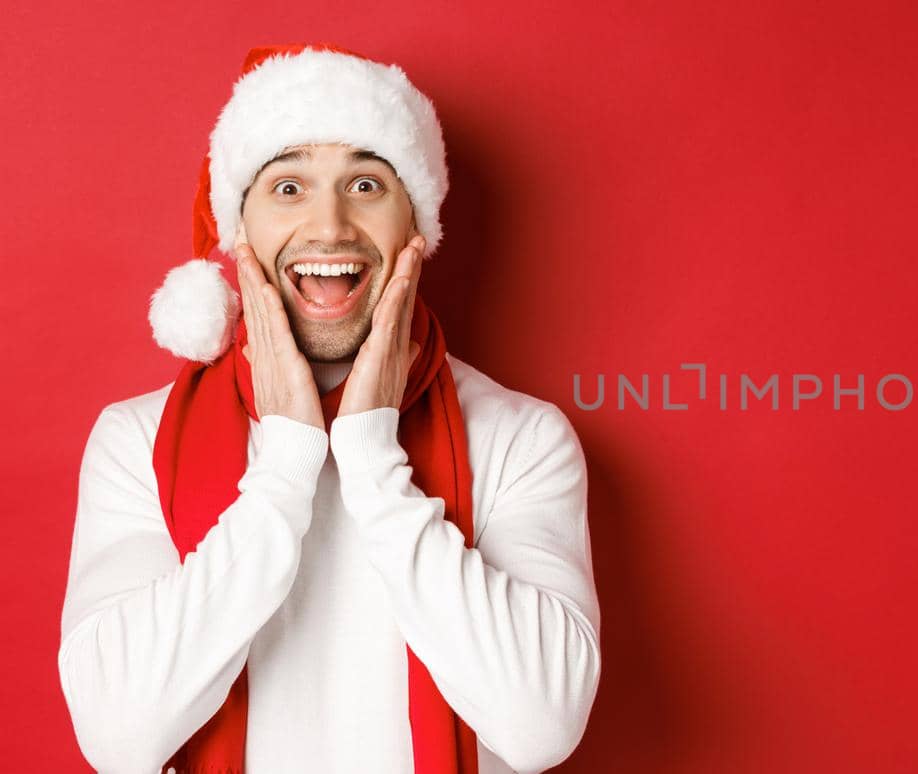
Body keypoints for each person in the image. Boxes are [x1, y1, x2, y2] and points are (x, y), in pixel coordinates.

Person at [57, 43, 601, 774]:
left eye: (367, 184)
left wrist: (374, 459)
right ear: (239, 231)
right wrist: (284, 464)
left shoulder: (521, 437)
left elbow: (541, 728)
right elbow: (119, 737)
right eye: (288, 187)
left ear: (417, 227)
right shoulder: (134, 442)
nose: (330, 227)